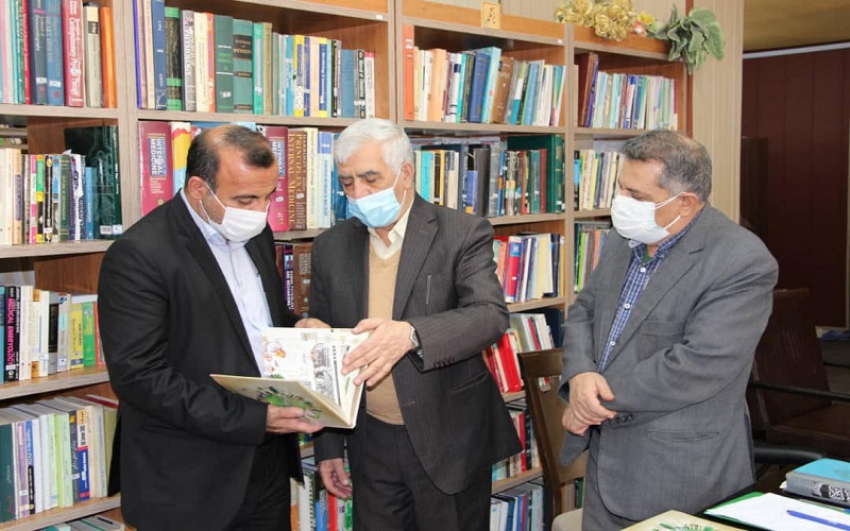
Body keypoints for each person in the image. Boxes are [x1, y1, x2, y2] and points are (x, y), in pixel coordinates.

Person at [98, 125, 324, 531]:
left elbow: (256, 321)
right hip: (188, 480)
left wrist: (299, 326)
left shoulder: (254, 232)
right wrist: (254, 419)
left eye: (268, 196)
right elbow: (139, 377)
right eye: (245, 199)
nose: (260, 211)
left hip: (267, 465)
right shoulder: (139, 254)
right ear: (199, 188)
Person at [559, 129, 779, 529]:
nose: (621, 202)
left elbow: (701, 363)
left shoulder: (741, 260)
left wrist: (593, 398)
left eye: (637, 196)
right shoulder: (624, 238)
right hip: (605, 468)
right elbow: (585, 310)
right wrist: (579, 374)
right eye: (622, 188)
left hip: (678, 471)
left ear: (686, 202)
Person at [310, 118, 521, 530]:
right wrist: (328, 444)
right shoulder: (330, 246)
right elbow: (326, 348)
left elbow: (489, 315)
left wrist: (411, 334)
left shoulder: (460, 232)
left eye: (371, 179)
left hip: (448, 438)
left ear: (406, 173)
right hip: (370, 441)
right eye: (347, 182)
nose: (358, 193)